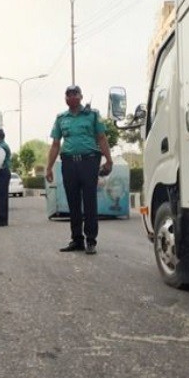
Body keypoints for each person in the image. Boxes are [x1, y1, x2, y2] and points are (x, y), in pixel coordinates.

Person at [46, 85, 113, 254]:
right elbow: (55, 145)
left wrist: (109, 160)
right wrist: (48, 168)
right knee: (73, 202)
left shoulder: (92, 115)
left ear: (81, 96)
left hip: (89, 162)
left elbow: (102, 138)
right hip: (68, 163)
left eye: (75, 94)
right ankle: (77, 240)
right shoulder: (61, 118)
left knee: (90, 201)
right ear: (65, 98)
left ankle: (91, 240)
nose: (71, 97)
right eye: (68, 94)